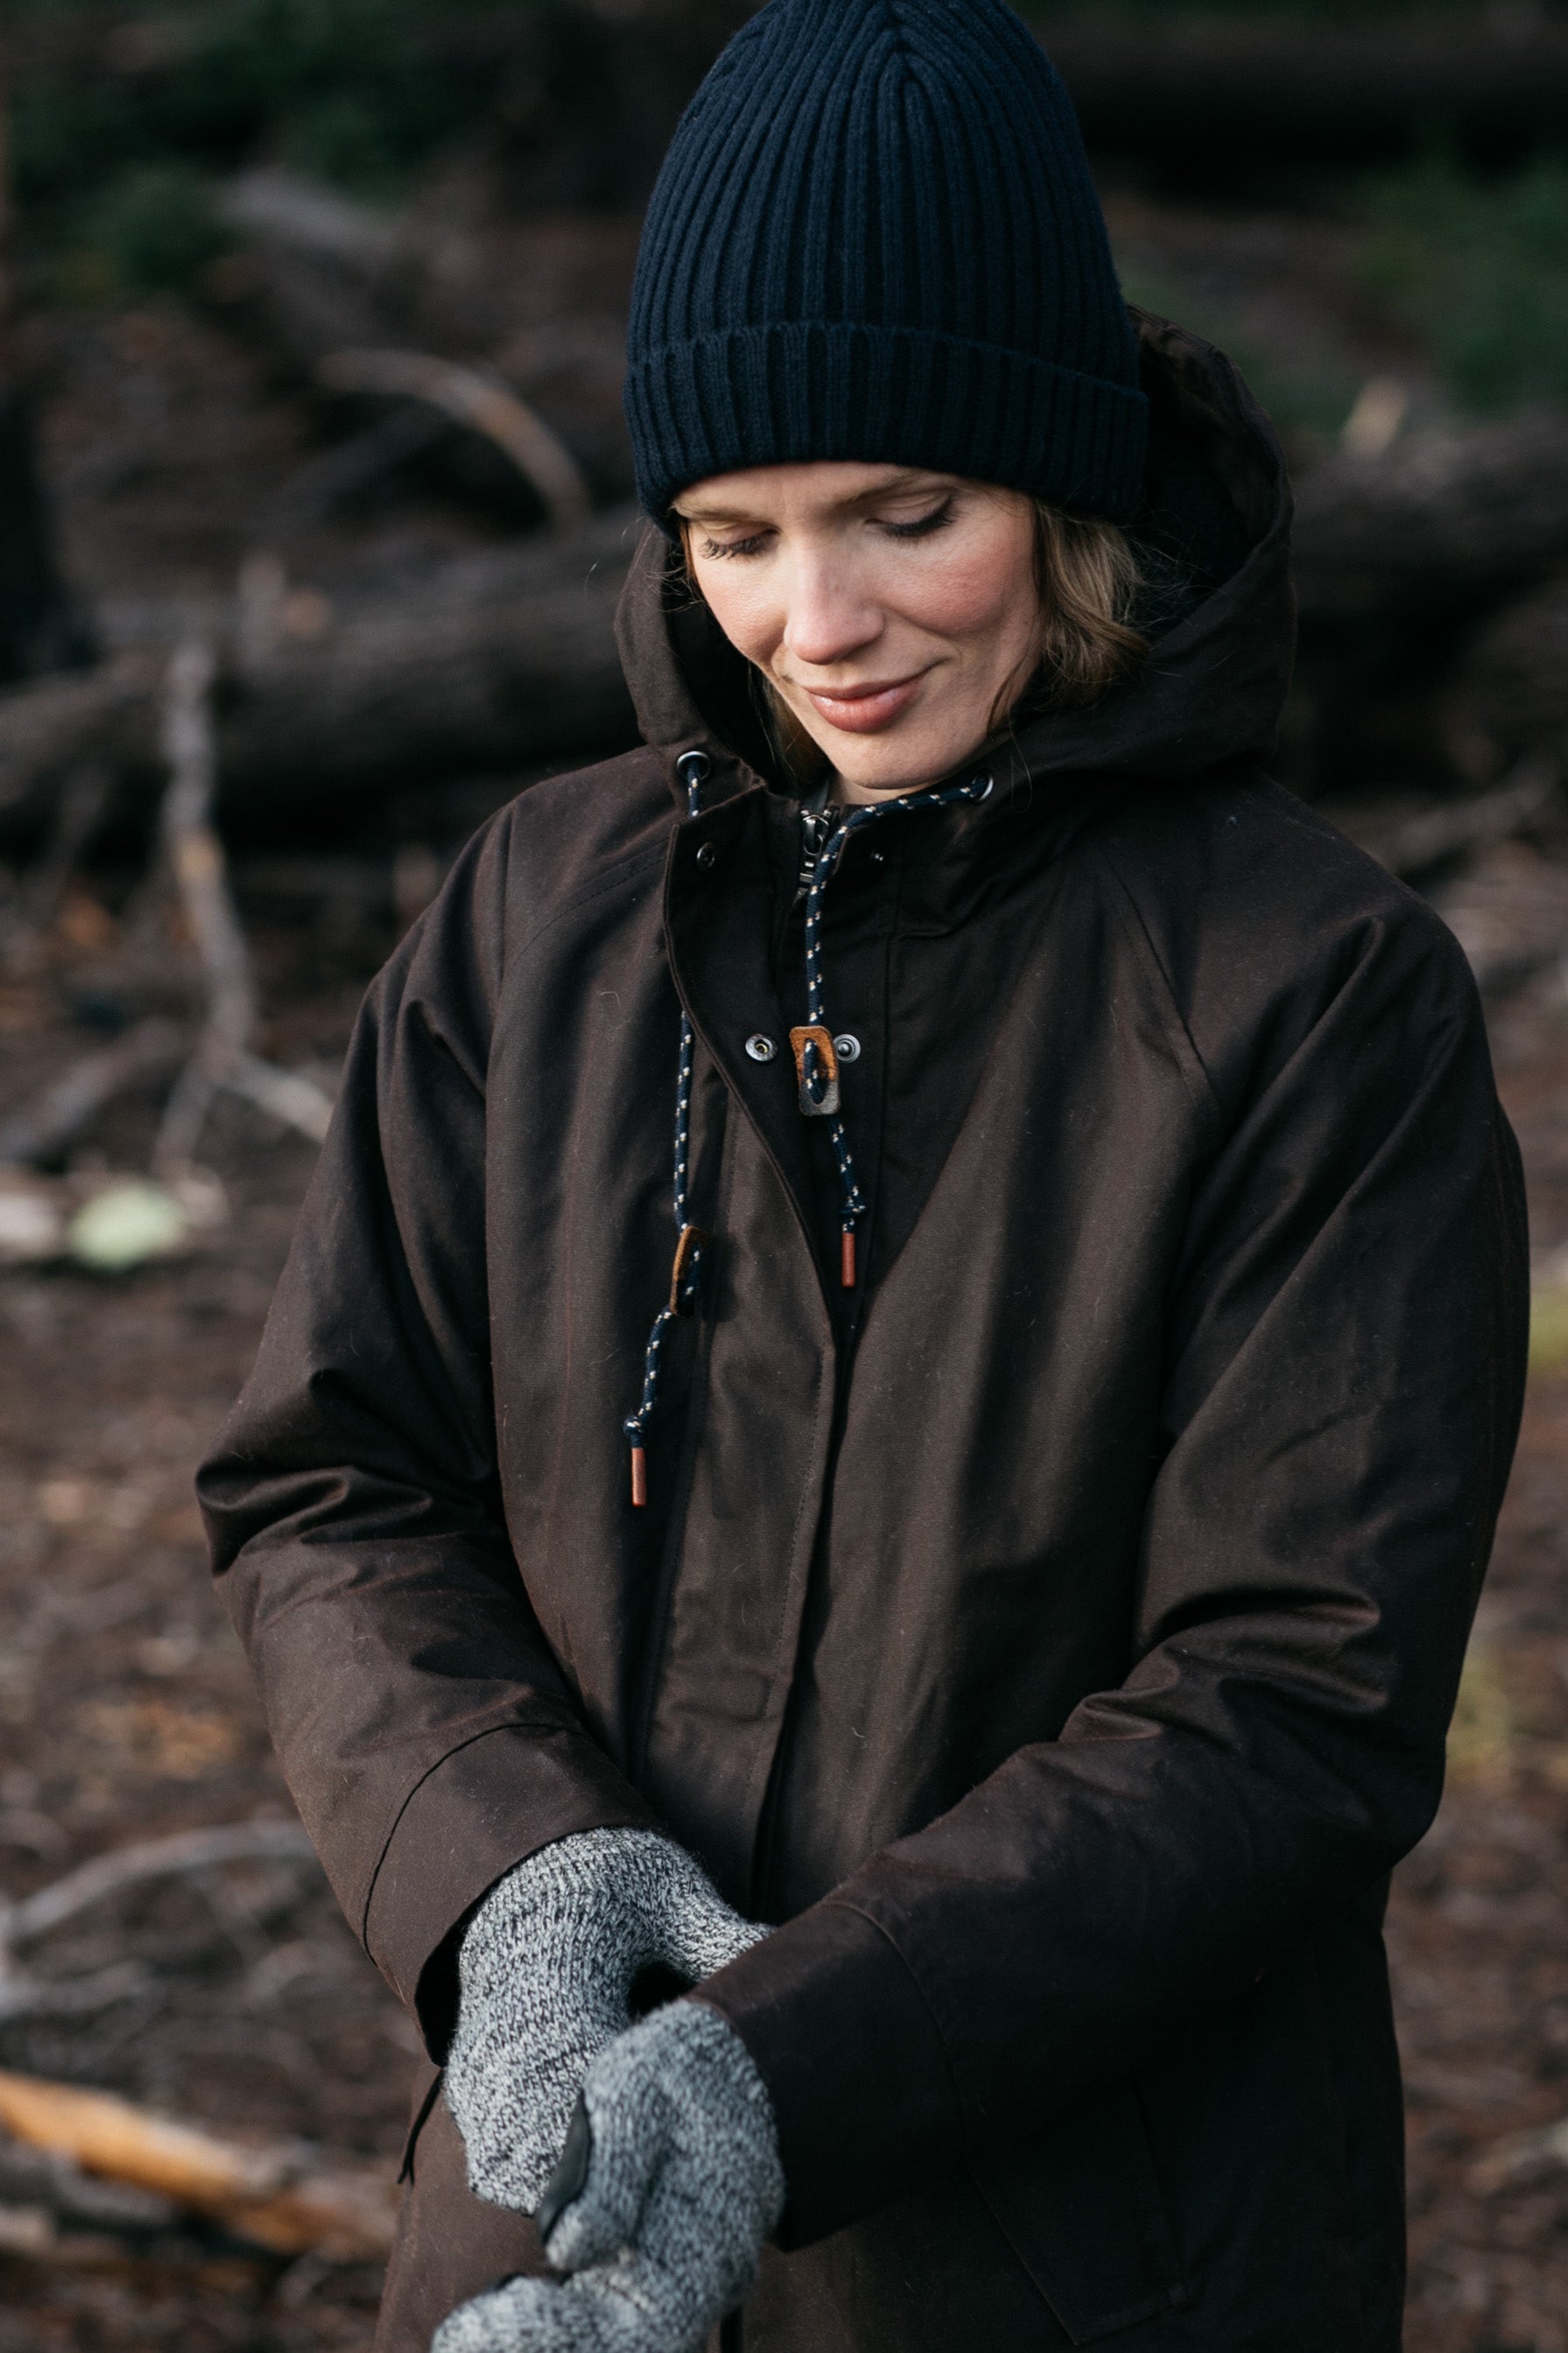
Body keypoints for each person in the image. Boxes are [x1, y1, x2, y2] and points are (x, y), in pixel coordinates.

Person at [198, 3, 1529, 2349]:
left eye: (907, 515)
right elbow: (337, 1476)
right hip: (563, 2228)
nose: (819, 625)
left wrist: (767, 2083)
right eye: (735, 533)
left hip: (1097, 2264)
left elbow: (1288, 1701)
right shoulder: (538, 916)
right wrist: (520, 1886)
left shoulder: (1317, 994)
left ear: (1062, 484)